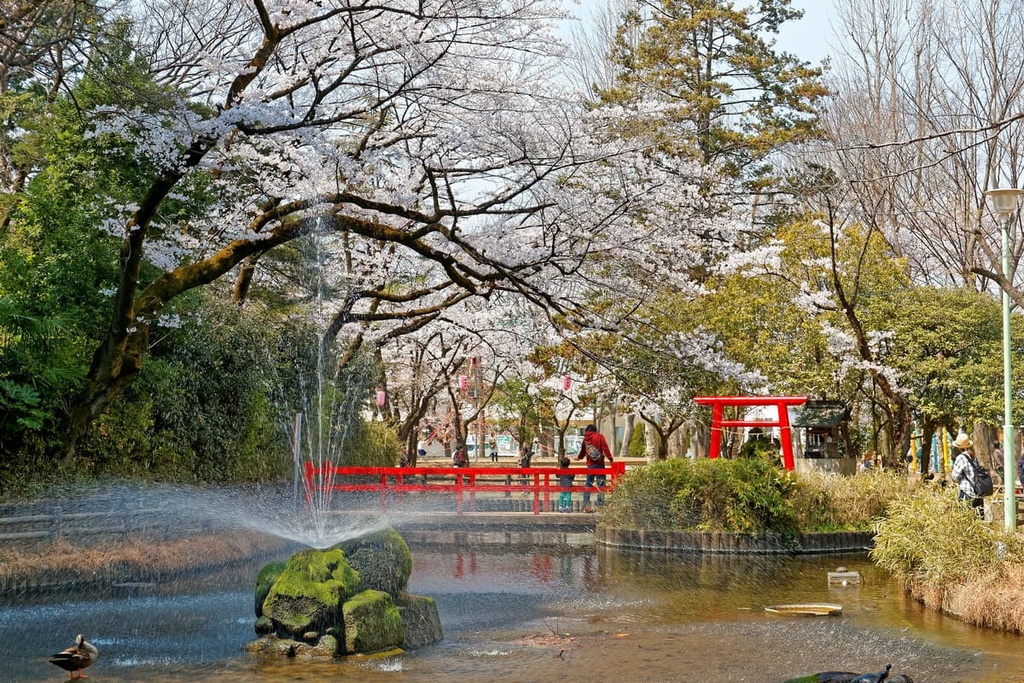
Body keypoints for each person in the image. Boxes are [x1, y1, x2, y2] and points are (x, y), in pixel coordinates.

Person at [576, 424, 613, 512]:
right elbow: (605, 448)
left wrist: (579, 457)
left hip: (590, 464)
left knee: (588, 484)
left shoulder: (585, 439)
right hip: (599, 463)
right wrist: (610, 459)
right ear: (595, 430)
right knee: (601, 484)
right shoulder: (600, 437)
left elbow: (583, 450)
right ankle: (600, 506)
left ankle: (586, 506)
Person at [950, 432, 984, 518]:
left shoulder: (961, 458)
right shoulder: (973, 456)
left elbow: (954, 476)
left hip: (967, 492)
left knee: (965, 518)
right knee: (978, 519)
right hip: (978, 493)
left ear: (958, 447)